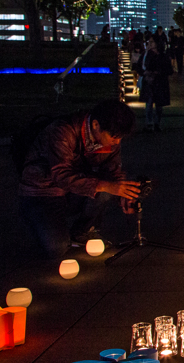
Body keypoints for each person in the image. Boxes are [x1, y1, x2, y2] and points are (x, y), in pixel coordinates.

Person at [18, 99, 140, 258]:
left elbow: (112, 171)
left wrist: (123, 193)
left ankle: (82, 232)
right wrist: (106, 185)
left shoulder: (110, 140)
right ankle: (40, 220)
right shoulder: (63, 131)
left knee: (106, 189)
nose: (117, 142)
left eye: (120, 138)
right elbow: (60, 175)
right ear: (96, 125)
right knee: (57, 248)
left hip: (74, 191)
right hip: (42, 193)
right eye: (114, 136)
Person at [140, 39, 173, 132]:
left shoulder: (163, 56)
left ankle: (156, 123)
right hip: (150, 83)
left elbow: (169, 70)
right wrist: (145, 73)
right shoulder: (146, 55)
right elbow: (139, 66)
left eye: (152, 42)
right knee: (149, 104)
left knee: (158, 105)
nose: (150, 44)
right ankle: (149, 123)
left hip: (159, 82)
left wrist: (158, 72)